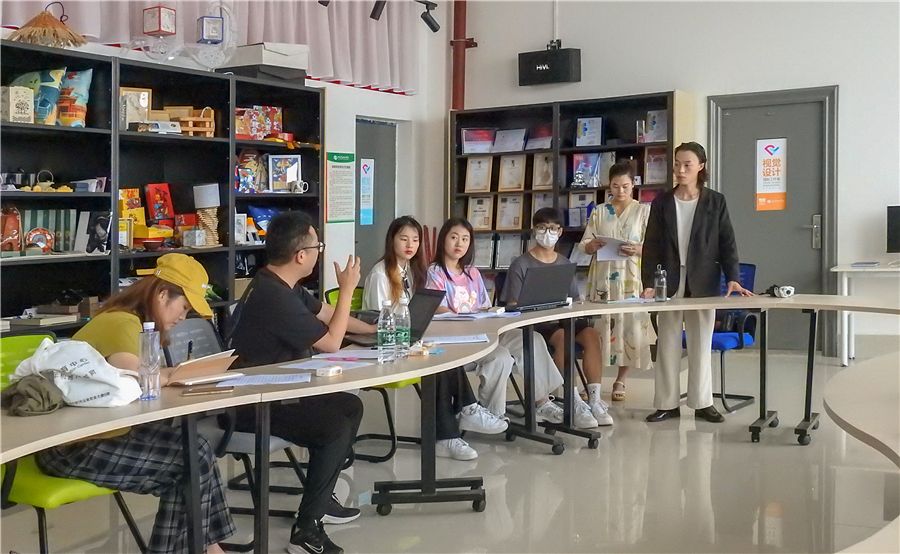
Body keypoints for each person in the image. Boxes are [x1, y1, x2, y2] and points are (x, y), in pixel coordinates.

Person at [35, 253, 235, 554]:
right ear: (163, 294)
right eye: (184, 307)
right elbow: (143, 379)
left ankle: (210, 547)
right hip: (71, 448)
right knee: (190, 461)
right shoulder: (121, 323)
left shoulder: (134, 323)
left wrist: (174, 375)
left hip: (102, 436)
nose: (183, 317)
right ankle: (207, 549)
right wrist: (182, 374)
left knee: (196, 451)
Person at [228, 211, 367, 554]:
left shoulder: (282, 284)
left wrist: (377, 330)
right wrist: (347, 290)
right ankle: (305, 532)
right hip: (252, 402)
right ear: (300, 255)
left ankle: (321, 501)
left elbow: (327, 315)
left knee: (350, 405)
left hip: (279, 390)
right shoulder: (272, 296)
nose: (320, 252)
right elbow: (331, 342)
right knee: (333, 427)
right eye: (318, 247)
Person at [362, 216, 508, 460]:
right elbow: (380, 321)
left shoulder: (410, 270)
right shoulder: (381, 274)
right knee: (438, 362)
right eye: (404, 239)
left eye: (415, 240)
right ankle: (450, 432)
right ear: (391, 240)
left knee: (443, 355)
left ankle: (461, 418)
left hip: (409, 340)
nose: (410, 245)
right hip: (387, 347)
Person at [640, 142, 753, 423]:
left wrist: (733, 277)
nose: (680, 170)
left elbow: (727, 242)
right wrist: (649, 282)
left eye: (687, 164)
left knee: (701, 343)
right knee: (667, 343)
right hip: (668, 280)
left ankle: (702, 403)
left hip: (703, 279)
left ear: (701, 166)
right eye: (677, 163)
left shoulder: (715, 201)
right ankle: (667, 403)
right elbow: (651, 245)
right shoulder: (662, 202)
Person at [426, 218, 571, 426]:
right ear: (443, 240)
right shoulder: (436, 272)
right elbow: (436, 307)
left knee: (532, 340)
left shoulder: (472, 272)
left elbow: (485, 306)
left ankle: (541, 402)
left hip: (484, 330)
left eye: (465, 239)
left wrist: (493, 313)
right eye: (454, 237)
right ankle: (492, 414)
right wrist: (464, 316)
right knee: (500, 356)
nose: (459, 243)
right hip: (459, 338)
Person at [504, 208, 610, 427]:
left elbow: (574, 299)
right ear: (534, 230)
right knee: (563, 337)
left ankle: (594, 400)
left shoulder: (564, 263)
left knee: (591, 335)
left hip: (563, 317)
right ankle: (573, 400)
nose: (547, 233)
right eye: (542, 228)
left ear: (560, 231)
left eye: (552, 228)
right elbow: (512, 304)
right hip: (537, 323)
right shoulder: (520, 264)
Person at [579, 161, 656, 402]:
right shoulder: (600, 211)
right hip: (603, 277)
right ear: (608, 186)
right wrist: (591, 246)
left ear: (633, 185)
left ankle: (621, 379)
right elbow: (584, 243)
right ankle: (594, 383)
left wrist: (639, 249)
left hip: (631, 277)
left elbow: (656, 246)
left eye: (625, 186)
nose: (620, 191)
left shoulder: (643, 211)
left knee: (630, 329)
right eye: (615, 186)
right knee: (600, 331)